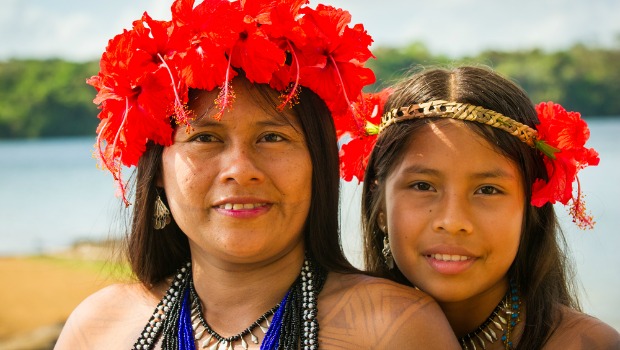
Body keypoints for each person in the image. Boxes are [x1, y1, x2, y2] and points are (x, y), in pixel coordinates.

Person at [54, 1, 460, 349]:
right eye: (206, 138)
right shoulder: (97, 329)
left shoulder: (397, 329)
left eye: (271, 137)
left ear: (318, 162)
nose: (240, 170)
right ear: (158, 172)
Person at [341, 66, 620, 349]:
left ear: (529, 210)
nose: (452, 221)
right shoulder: (330, 337)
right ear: (380, 208)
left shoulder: (588, 344)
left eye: (487, 190)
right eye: (423, 186)